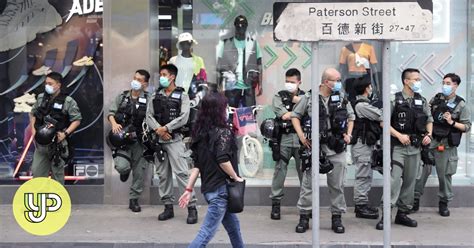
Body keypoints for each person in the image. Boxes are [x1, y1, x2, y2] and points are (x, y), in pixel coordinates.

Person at [291, 68, 355, 234]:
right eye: (336, 79)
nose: (339, 83)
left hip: (336, 148)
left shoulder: (341, 98)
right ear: (326, 82)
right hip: (314, 148)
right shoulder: (309, 98)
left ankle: (337, 217)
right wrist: (302, 137)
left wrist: (348, 134)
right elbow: (295, 116)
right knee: (308, 185)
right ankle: (304, 217)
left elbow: (351, 117)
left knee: (337, 186)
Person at [179, 90, 244, 248]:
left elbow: (197, 166)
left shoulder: (202, 134)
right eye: (225, 106)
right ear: (219, 110)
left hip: (211, 190)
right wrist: (236, 177)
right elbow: (223, 160)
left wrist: (188, 189)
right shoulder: (223, 133)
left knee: (234, 228)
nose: (227, 109)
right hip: (220, 191)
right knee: (205, 233)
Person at [376, 68, 433, 230]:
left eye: (419, 80)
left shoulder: (422, 100)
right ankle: (386, 215)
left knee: (410, 181)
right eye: (415, 79)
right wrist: (399, 135)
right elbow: (383, 122)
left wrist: (429, 134)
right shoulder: (394, 100)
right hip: (398, 148)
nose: (418, 82)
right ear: (406, 81)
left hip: (415, 148)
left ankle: (402, 213)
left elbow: (429, 119)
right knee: (393, 181)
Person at [145, 64, 198, 224]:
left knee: (182, 174)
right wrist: (159, 130)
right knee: (162, 175)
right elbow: (148, 115)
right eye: (161, 74)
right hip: (159, 141)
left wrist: (166, 128)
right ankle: (168, 207)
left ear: (172, 77)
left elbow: (184, 117)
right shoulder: (155, 95)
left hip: (175, 139)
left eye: (164, 74)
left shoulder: (182, 95)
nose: (161, 77)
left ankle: (192, 207)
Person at [413, 73, 471, 216]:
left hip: (446, 145)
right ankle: (414, 200)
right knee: (421, 172)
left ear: (456, 85)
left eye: (448, 83)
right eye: (444, 82)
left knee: (444, 175)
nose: (445, 85)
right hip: (431, 140)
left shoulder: (461, 104)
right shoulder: (436, 99)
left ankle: (443, 203)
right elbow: (428, 116)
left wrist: (452, 122)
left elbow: (467, 126)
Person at [107, 69, 150, 212]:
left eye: (139, 80)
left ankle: (134, 199)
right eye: (134, 78)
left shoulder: (149, 99)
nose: (135, 81)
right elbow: (110, 112)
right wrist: (113, 123)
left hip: (140, 140)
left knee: (139, 172)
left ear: (145, 83)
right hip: (123, 139)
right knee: (122, 166)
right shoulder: (123, 96)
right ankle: (124, 171)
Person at [30, 72, 82, 184]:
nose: (47, 86)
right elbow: (33, 114)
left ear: (58, 85)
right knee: (37, 173)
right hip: (41, 143)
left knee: (57, 176)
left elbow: (77, 120)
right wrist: (33, 131)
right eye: (46, 83)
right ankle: (41, 200)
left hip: (58, 144)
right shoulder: (40, 98)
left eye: (50, 83)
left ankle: (57, 199)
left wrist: (65, 134)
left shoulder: (68, 101)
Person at [269, 68, 304, 220]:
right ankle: (276, 204)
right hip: (284, 139)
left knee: (305, 173)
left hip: (302, 140)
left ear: (299, 82)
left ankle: (306, 205)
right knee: (279, 171)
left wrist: (299, 104)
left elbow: (314, 111)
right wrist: (301, 108)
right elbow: (283, 115)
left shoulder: (306, 96)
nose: (289, 84)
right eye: (287, 82)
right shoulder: (279, 96)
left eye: (292, 82)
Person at [350, 77, 382, 219]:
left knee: (366, 174)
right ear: (366, 88)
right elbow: (381, 115)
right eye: (370, 87)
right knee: (363, 175)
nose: (371, 89)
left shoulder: (364, 104)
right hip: (361, 146)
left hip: (365, 145)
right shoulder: (361, 105)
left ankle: (363, 204)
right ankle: (360, 206)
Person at [217, 15, 263, 108]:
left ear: (246, 26)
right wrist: (219, 84)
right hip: (231, 87)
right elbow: (220, 66)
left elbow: (259, 65)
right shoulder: (225, 44)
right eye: (238, 25)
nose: (241, 27)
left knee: (250, 114)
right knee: (231, 114)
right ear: (235, 26)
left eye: (243, 25)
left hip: (249, 86)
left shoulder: (253, 43)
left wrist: (260, 84)